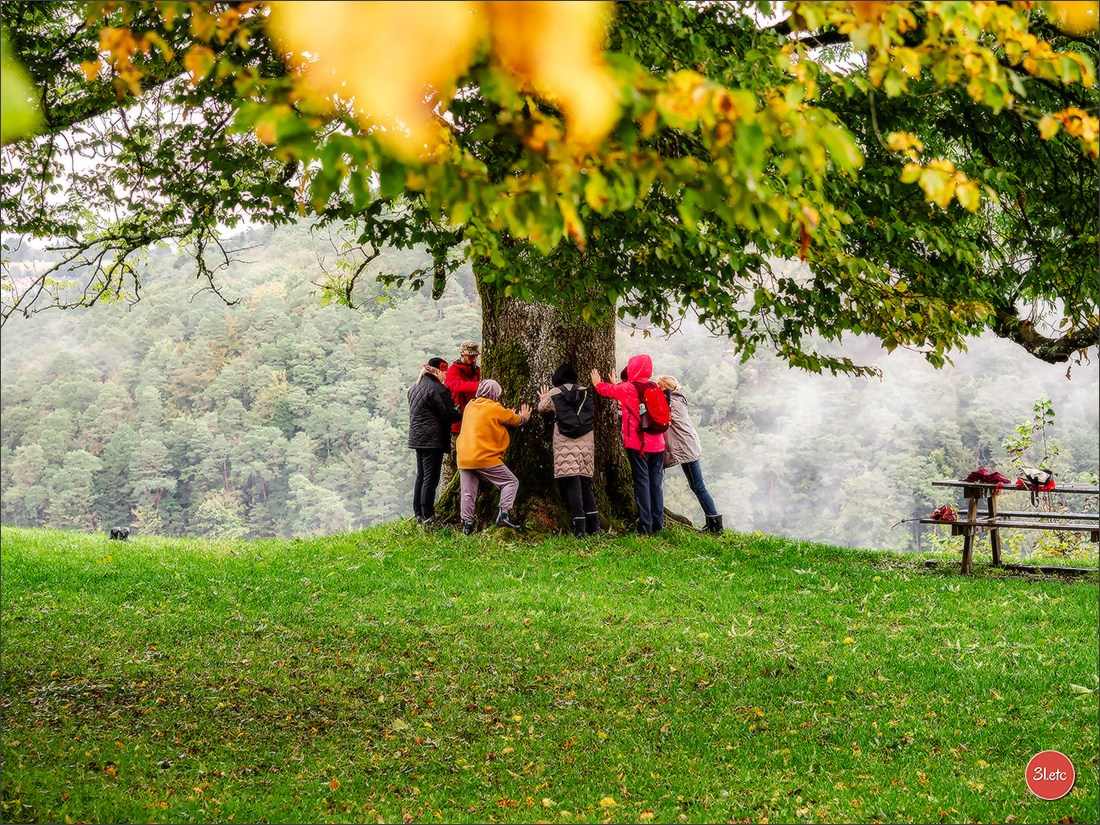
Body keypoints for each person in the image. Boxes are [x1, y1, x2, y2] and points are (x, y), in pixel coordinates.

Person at [591, 354, 666, 535]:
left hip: (638, 444)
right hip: (659, 443)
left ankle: (645, 526)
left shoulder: (629, 388)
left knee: (642, 483)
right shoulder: (654, 386)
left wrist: (597, 383)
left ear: (633, 368)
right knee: (656, 484)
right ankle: (658, 524)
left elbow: (606, 391)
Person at [456, 379, 532, 534]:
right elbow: (515, 420)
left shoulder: (470, 406)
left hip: (464, 457)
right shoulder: (495, 408)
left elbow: (491, 419)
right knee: (510, 482)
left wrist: (505, 413)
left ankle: (467, 525)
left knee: (468, 492)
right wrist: (523, 417)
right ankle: (503, 515)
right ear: (495, 393)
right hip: (484, 456)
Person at [538, 364, 599, 538]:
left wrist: (543, 398)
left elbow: (542, 408)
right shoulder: (585, 391)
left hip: (565, 442)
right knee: (585, 483)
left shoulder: (555, 393)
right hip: (586, 442)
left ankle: (579, 527)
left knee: (572, 485)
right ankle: (594, 526)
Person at [656, 375, 723, 533]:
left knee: (698, 486)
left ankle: (715, 523)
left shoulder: (672, 403)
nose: (656, 389)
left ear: (666, 388)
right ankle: (713, 522)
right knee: (697, 486)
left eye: (659, 386)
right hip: (688, 446)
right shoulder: (677, 399)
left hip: (686, 448)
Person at [407, 357, 462, 525]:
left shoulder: (414, 388)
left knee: (421, 475)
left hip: (417, 437)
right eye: (444, 373)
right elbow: (447, 414)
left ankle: (418, 513)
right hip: (433, 439)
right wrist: (458, 411)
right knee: (431, 478)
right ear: (438, 371)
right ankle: (429, 515)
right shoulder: (439, 389)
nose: (446, 376)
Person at [443, 339, 481, 481]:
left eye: (475, 356)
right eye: (470, 356)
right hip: (455, 427)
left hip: (472, 425)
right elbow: (457, 386)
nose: (473, 359)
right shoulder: (453, 370)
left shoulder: (477, 371)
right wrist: (481, 385)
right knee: (450, 463)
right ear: (462, 355)